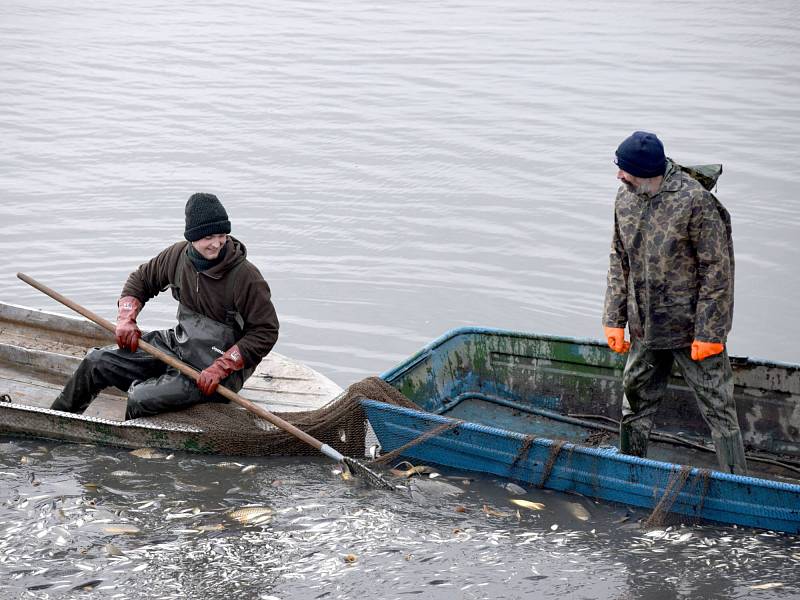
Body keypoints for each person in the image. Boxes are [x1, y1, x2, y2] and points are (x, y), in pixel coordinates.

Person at [51, 193, 279, 420]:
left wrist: (222, 367)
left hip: (216, 370)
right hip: (178, 345)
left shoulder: (246, 277)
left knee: (140, 396)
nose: (216, 243)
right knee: (96, 362)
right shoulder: (178, 256)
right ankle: (56, 419)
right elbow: (140, 281)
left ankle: (135, 447)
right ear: (192, 237)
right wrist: (126, 319)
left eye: (222, 235)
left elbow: (265, 332)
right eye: (208, 237)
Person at [602, 131, 747, 475]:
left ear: (646, 170)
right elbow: (618, 260)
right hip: (644, 327)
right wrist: (614, 318)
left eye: (625, 170)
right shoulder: (625, 199)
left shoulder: (695, 202)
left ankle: (738, 481)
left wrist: (710, 333)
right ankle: (630, 469)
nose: (619, 176)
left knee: (719, 409)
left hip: (691, 330)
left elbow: (718, 271)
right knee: (634, 401)